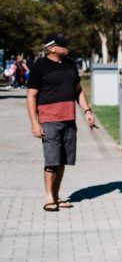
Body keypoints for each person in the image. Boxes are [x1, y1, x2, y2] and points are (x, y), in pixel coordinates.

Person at [26, 34, 95, 212]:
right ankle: (48, 197)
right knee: (52, 160)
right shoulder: (39, 67)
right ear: (51, 48)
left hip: (69, 119)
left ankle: (56, 196)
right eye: (62, 44)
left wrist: (87, 111)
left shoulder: (71, 65)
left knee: (63, 159)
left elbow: (78, 91)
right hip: (49, 119)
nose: (66, 47)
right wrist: (34, 123)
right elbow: (31, 96)